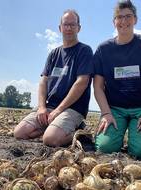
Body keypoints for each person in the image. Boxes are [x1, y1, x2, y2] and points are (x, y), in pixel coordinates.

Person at [93, 0, 141, 159]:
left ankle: (137, 140)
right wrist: (106, 113)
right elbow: (98, 87)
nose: (123, 21)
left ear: (135, 19)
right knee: (105, 148)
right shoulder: (103, 49)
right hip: (115, 109)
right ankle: (115, 137)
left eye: (128, 16)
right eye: (119, 17)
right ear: (113, 22)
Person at [14, 10, 93, 147]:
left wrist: (58, 110)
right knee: (20, 133)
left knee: (50, 140)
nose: (68, 28)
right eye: (65, 24)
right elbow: (43, 81)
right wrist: (42, 107)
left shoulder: (84, 51)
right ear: (60, 28)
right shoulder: (54, 53)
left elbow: (82, 82)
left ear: (78, 28)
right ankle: (53, 127)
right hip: (50, 106)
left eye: (72, 25)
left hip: (72, 108)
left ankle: (80, 131)